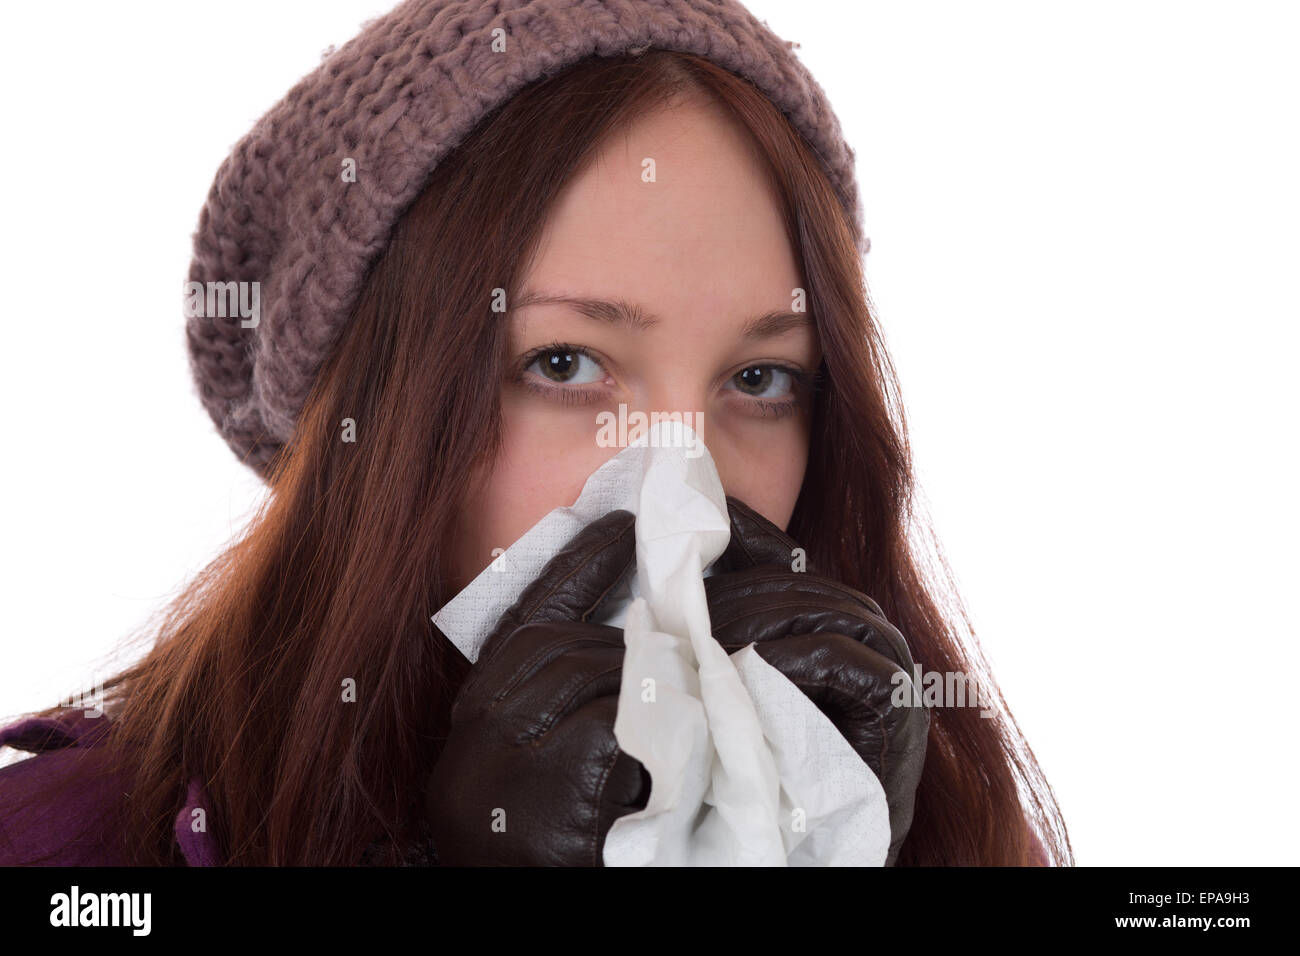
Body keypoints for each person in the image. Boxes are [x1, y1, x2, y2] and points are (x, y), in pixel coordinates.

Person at [0, 0, 1070, 866]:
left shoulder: (939, 821)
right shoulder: (60, 841)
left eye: (760, 377)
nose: (679, 487)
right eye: (563, 365)